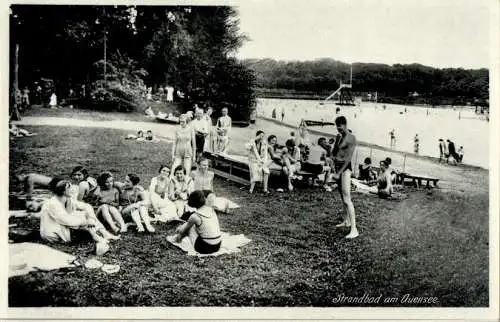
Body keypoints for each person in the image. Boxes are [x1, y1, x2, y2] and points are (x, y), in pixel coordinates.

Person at [39, 178, 111, 254]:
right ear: (63, 191)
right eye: (69, 188)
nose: (72, 189)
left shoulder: (67, 199)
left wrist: (90, 219)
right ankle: (96, 237)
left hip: (64, 228)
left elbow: (87, 206)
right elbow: (65, 220)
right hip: (54, 234)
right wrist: (86, 222)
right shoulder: (53, 203)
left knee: (84, 215)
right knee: (82, 220)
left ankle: (99, 235)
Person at [331, 116, 359, 239]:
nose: (338, 128)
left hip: (345, 170)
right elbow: (335, 153)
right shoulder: (339, 136)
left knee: (347, 198)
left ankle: (354, 229)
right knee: (342, 197)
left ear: (345, 125)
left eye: (340, 126)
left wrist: (339, 172)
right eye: (337, 126)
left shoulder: (351, 138)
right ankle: (346, 221)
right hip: (338, 168)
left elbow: (348, 159)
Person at [174, 190, 222, 254]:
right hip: (218, 245)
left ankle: (177, 239)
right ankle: (179, 235)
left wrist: (180, 229)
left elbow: (184, 230)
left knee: (189, 228)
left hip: (205, 248)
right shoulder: (211, 210)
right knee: (193, 224)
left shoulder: (195, 216)